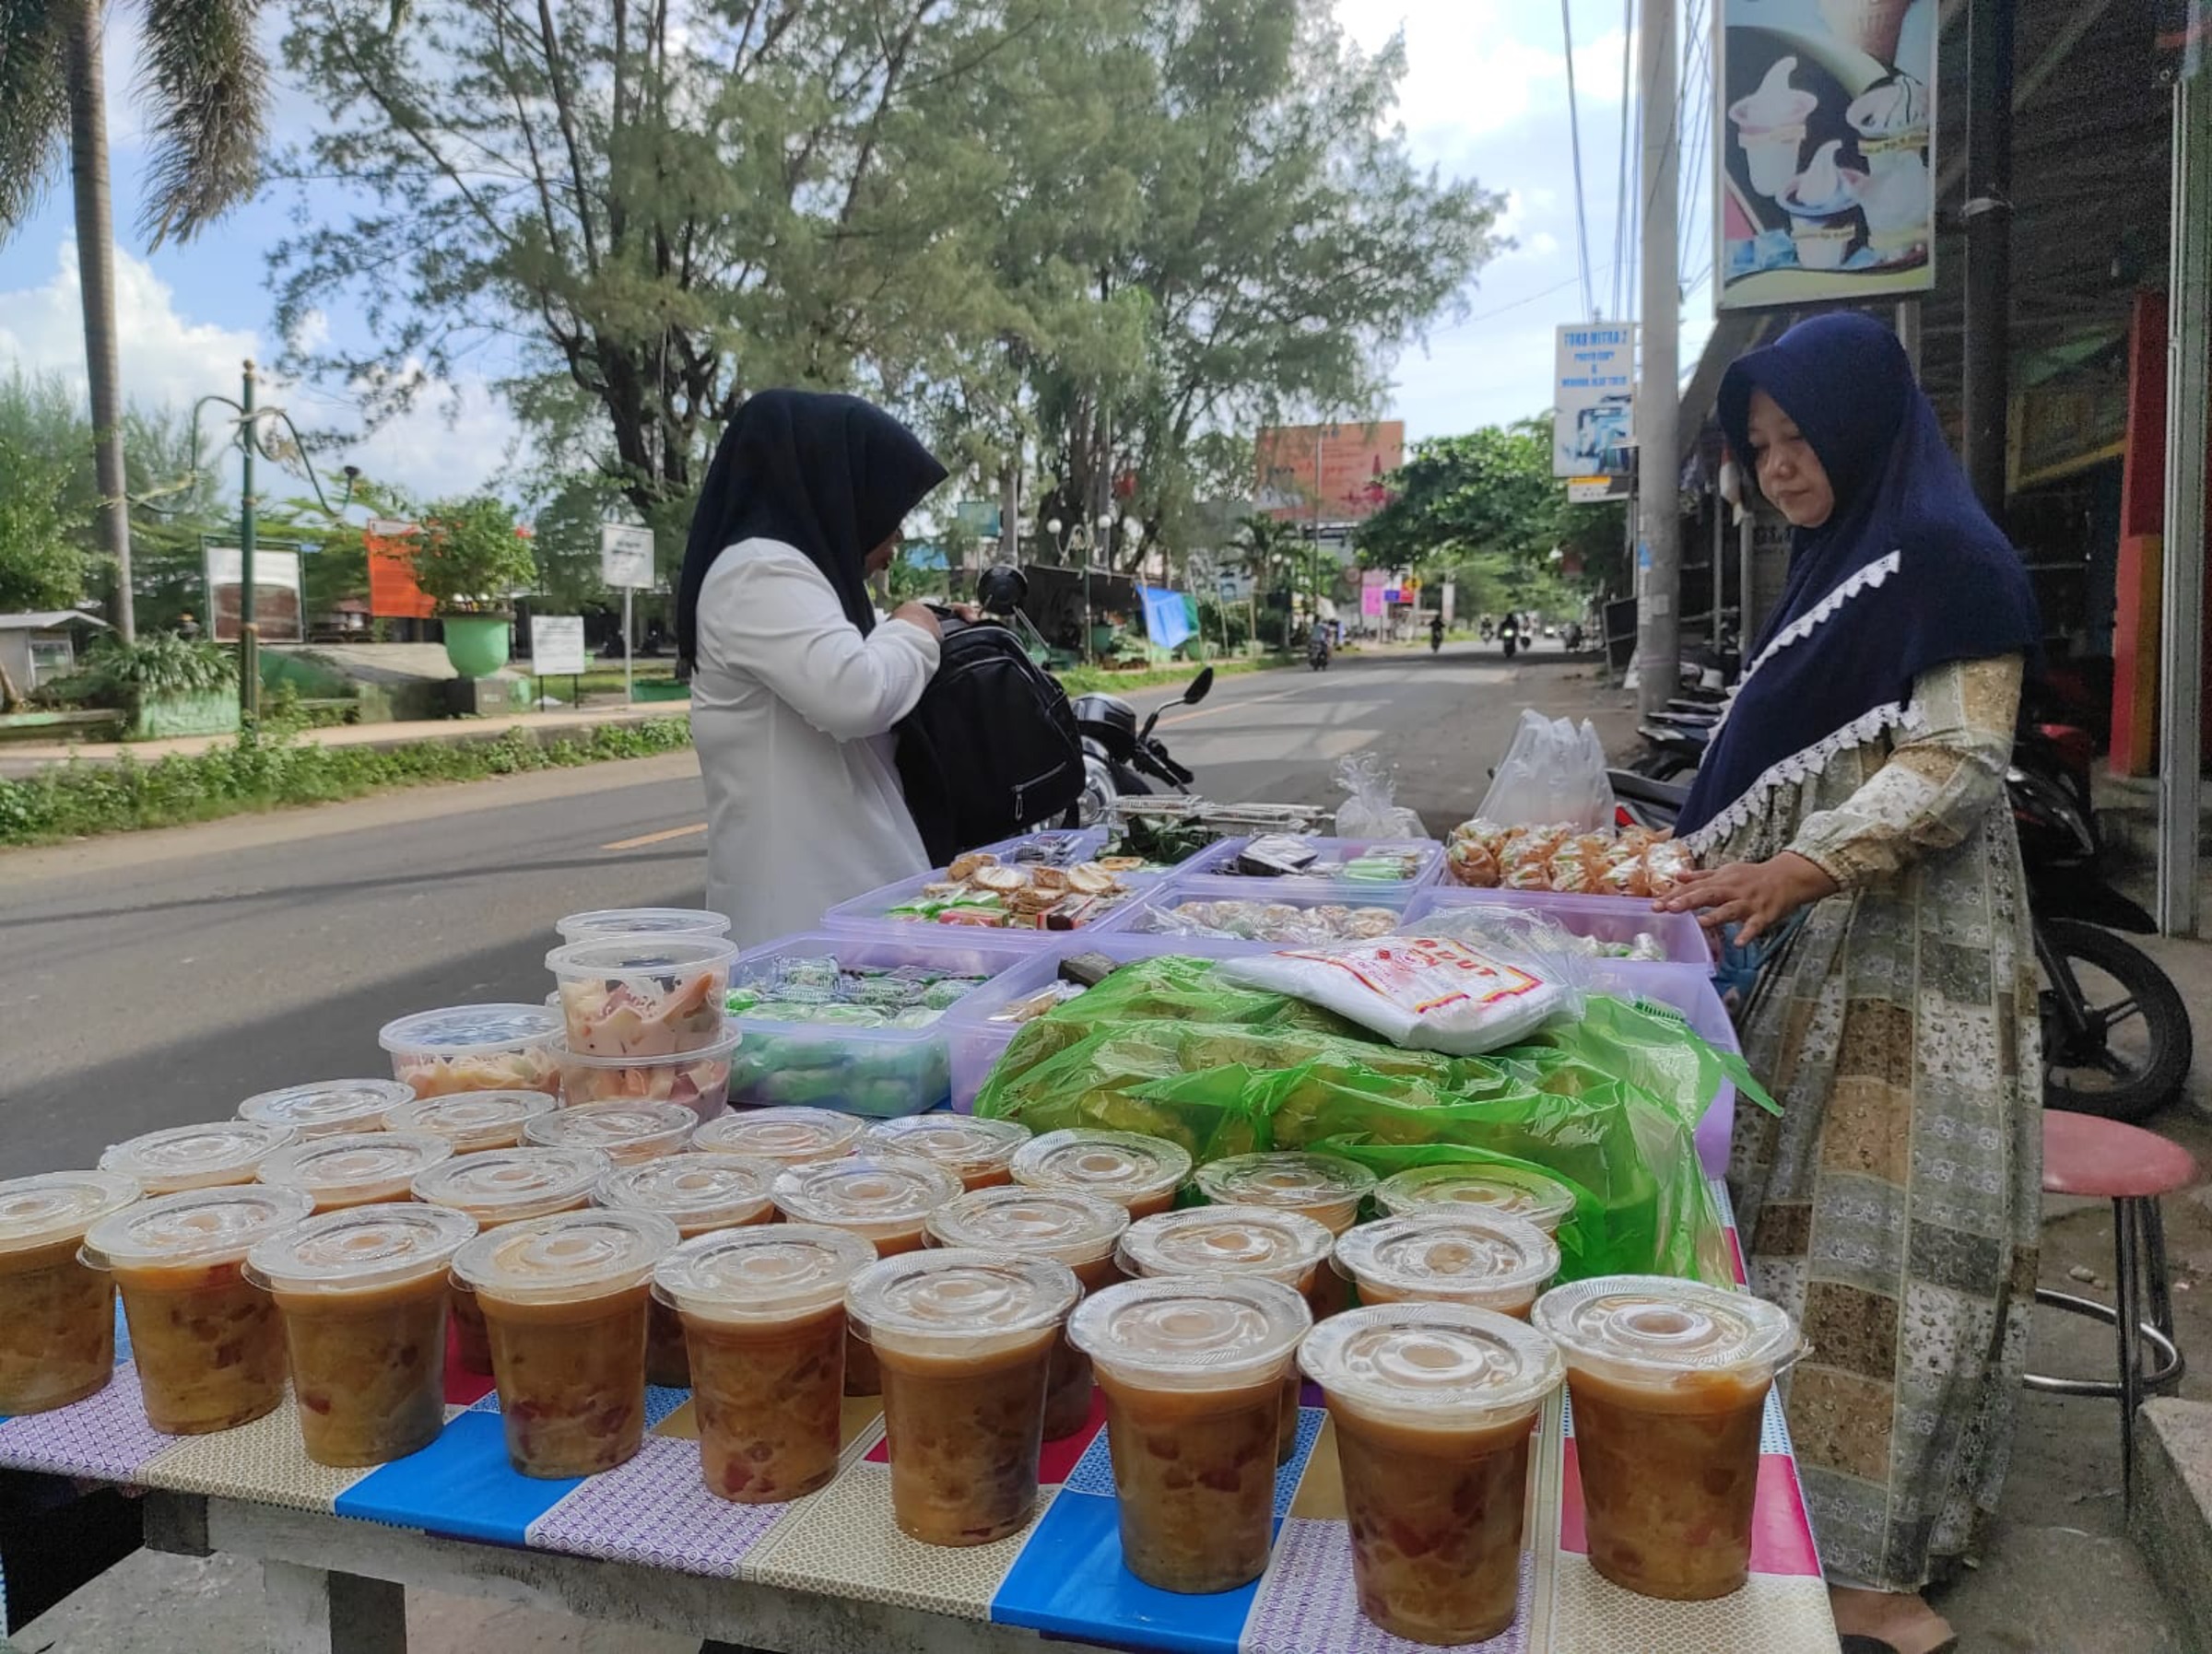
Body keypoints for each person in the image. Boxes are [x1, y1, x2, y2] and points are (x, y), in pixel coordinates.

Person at [1656, 312, 2041, 1654]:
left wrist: (1803, 865)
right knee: (1803, 1242)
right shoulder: (1839, 566)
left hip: (1919, 976)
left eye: (1798, 436)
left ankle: (1881, 1581)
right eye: (1759, 445)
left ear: (1865, 425)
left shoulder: (1946, 555)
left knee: (1889, 1258)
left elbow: (1955, 761)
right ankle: (1804, 1533)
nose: (1777, 465)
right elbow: (1797, 763)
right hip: (1822, 951)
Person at [676, 390, 949, 945]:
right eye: (889, 509)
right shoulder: (759, 571)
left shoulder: (794, 574)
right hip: (803, 920)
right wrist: (917, 626)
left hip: (840, 902)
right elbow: (855, 695)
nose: (896, 536)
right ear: (840, 489)